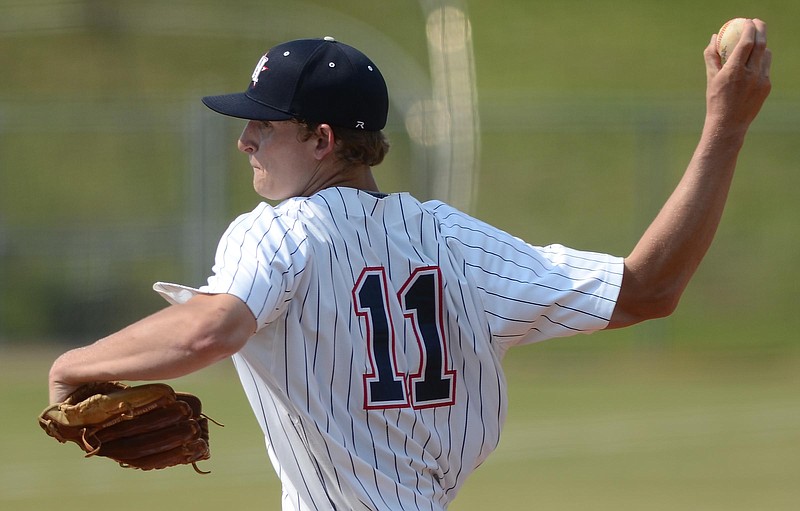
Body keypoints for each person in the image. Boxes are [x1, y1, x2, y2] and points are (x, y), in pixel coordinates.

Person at [48, 23, 771, 510]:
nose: (246, 141)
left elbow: (209, 330)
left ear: (322, 138)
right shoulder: (453, 238)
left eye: (263, 123)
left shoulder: (280, 232)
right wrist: (726, 127)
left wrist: (76, 362)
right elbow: (648, 288)